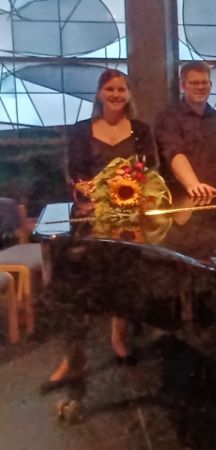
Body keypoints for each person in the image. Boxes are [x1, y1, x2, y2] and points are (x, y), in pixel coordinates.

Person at [43, 69, 157, 390]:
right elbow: (75, 173)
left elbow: (149, 169)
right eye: (110, 89)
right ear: (99, 93)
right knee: (78, 290)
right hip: (90, 219)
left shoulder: (141, 130)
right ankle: (72, 355)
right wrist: (89, 190)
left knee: (123, 282)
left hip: (129, 220)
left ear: (129, 94)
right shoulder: (82, 131)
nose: (116, 94)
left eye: (122, 89)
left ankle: (118, 338)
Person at [155, 61, 216, 198]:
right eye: (194, 83)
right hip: (181, 197)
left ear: (210, 85)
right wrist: (193, 184)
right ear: (183, 85)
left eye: (204, 82)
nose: (200, 87)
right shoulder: (168, 118)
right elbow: (174, 153)